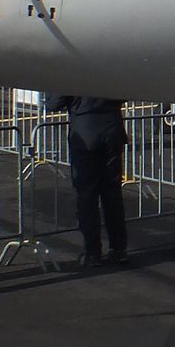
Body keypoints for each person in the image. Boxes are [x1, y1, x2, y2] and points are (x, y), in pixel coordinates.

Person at [46, 94, 128, 267]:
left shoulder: (77, 72)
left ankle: (92, 252)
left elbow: (54, 103)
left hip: (85, 131)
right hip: (112, 128)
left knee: (87, 195)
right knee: (112, 192)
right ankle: (119, 248)